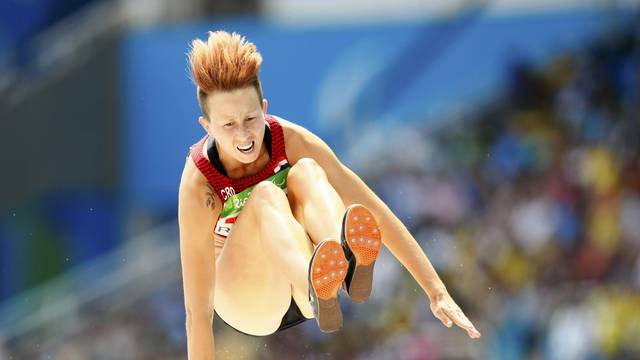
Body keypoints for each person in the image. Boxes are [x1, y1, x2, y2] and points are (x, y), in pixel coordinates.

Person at [178, 30, 481, 359]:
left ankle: (340, 270)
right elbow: (198, 313)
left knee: (307, 171)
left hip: (302, 277)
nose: (244, 135)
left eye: (251, 118)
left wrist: (435, 291)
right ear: (207, 126)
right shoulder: (199, 185)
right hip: (249, 301)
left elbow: (370, 208)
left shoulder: (290, 140)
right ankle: (316, 282)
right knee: (265, 195)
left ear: (264, 108)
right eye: (228, 125)